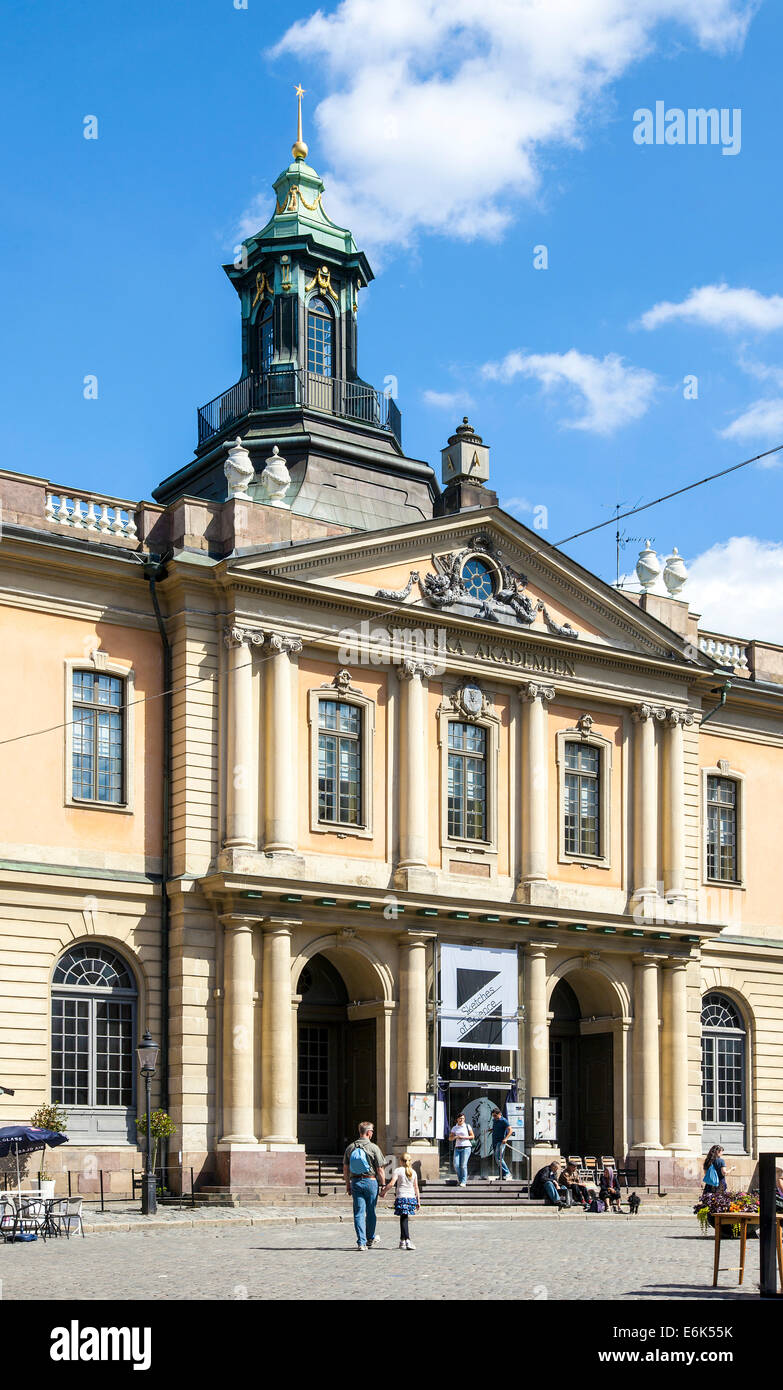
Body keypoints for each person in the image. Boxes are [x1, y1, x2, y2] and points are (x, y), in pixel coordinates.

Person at [343, 1120, 386, 1251]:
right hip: (371, 1181)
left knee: (358, 1213)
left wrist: (347, 1184)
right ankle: (370, 1239)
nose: (372, 1133)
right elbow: (380, 1169)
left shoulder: (351, 1147)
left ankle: (361, 1242)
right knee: (371, 1212)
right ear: (368, 1132)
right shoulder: (373, 1147)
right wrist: (383, 1184)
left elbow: (345, 1168)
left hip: (355, 1181)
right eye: (372, 1131)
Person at [387, 1151, 420, 1250]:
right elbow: (416, 1187)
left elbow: (392, 1183)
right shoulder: (413, 1172)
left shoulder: (398, 1170)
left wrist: (384, 1191)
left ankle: (407, 1240)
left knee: (404, 1218)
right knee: (404, 1218)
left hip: (401, 1197)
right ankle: (402, 1240)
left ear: (401, 1161)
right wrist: (418, 1200)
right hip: (411, 1198)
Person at [448, 1113, 474, 1188]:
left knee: (463, 1165)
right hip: (457, 1147)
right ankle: (460, 1179)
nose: (461, 1120)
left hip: (466, 1147)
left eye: (463, 1118)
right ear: (457, 1119)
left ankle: (463, 1181)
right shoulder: (454, 1128)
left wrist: (463, 1137)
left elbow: (472, 1136)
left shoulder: (467, 1126)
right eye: (460, 1118)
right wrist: (455, 1137)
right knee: (456, 1165)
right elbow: (450, 1138)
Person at [490, 1107, 512, 1181]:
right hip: (495, 1141)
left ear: (499, 1114)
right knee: (497, 1159)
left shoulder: (503, 1120)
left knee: (498, 1158)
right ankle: (502, 1175)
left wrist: (506, 1139)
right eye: (493, 1116)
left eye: (495, 1116)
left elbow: (510, 1130)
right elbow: (497, 1128)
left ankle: (507, 1173)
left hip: (501, 1142)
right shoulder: (494, 1120)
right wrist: (492, 1130)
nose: (494, 1117)